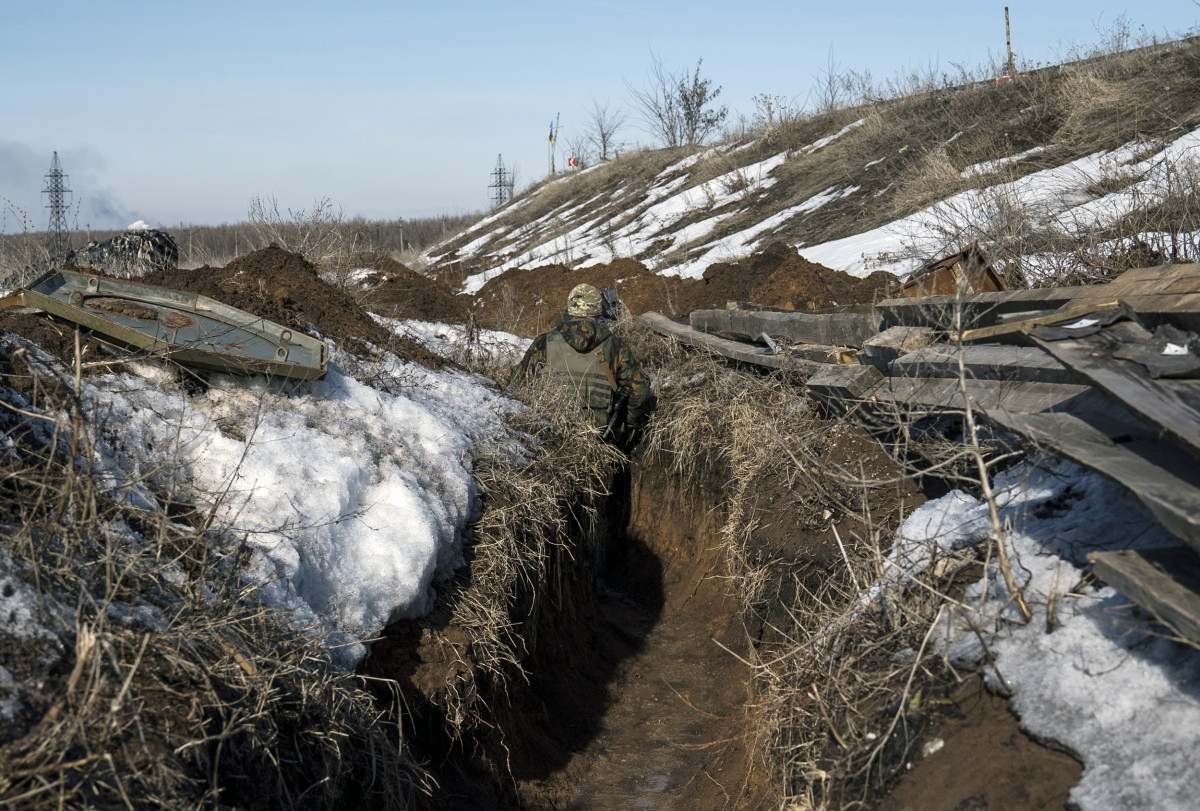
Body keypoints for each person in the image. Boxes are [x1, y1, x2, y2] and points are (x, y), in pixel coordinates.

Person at [512, 283, 654, 447]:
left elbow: (517, 382)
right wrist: (624, 428)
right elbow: (640, 392)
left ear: (570, 309)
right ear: (598, 310)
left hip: (549, 431)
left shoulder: (544, 341)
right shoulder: (614, 345)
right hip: (597, 435)